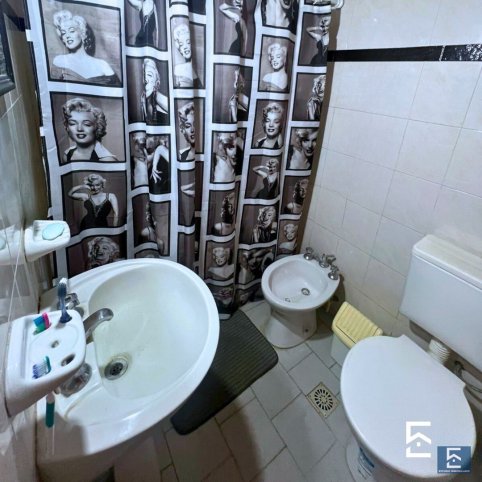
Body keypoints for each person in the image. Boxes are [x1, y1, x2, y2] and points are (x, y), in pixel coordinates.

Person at [51, 10, 119, 85]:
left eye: (72, 31)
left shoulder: (102, 65)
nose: (67, 36)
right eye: (63, 33)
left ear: (82, 34)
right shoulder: (59, 60)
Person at [61, 98, 118, 163]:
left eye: (87, 124)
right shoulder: (67, 155)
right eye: (72, 123)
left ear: (98, 126)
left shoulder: (107, 159)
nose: (79, 129)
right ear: (67, 126)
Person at [141, 59, 168, 125]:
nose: (145, 79)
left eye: (149, 75)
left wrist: (155, 92)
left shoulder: (162, 112)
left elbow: (173, 109)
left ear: (157, 83)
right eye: (143, 74)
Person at [172, 23, 200, 88]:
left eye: (188, 42)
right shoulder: (179, 69)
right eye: (181, 44)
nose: (185, 47)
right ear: (179, 49)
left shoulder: (200, 67)